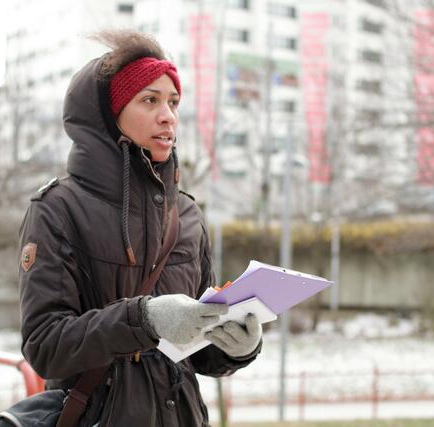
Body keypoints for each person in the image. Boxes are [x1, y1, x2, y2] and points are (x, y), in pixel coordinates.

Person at [17, 30, 262, 426]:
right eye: (150, 100)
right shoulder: (57, 209)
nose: (168, 116)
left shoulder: (187, 215)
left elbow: (198, 351)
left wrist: (237, 347)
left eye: (173, 102)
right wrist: (143, 320)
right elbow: (45, 346)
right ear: (109, 118)